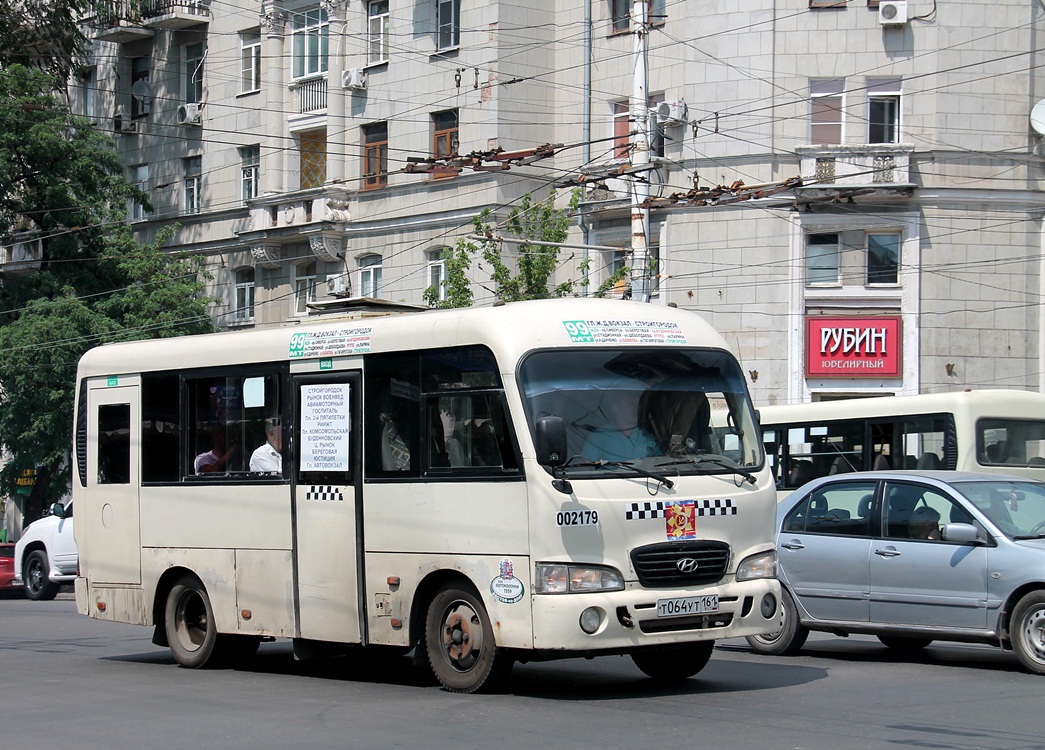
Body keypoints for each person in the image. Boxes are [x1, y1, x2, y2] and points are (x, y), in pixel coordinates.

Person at [580, 389, 658, 462]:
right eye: (630, 405)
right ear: (616, 408)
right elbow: (585, 464)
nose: (636, 409)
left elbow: (660, 462)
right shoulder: (600, 435)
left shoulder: (645, 435)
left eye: (637, 405)